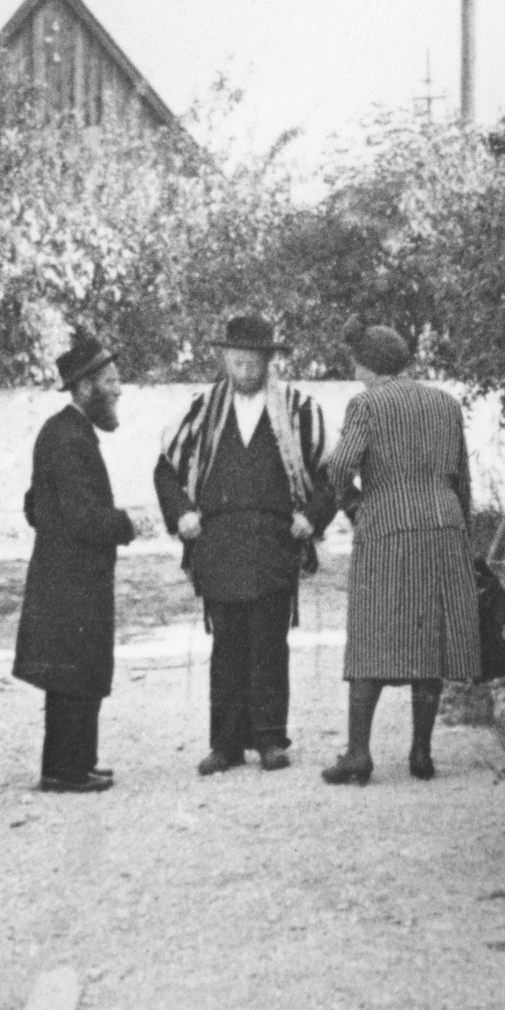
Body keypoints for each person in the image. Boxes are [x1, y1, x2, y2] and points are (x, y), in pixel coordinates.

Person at [154, 315, 336, 776]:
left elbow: (332, 476)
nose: (243, 366)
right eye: (235, 358)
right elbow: (165, 471)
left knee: (269, 642)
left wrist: (311, 519)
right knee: (227, 645)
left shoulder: (300, 411)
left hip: (275, 544)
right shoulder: (201, 410)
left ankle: (271, 740)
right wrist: (182, 514)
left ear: (267, 360)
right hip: (218, 545)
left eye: (252, 358)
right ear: (224, 359)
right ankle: (226, 744)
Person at [321, 322, 480, 785]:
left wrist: (355, 506)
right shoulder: (445, 402)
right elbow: (462, 478)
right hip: (444, 526)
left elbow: (339, 467)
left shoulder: (366, 403)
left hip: (387, 528)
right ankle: (421, 754)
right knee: (431, 638)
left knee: (372, 635)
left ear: (365, 365)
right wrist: (459, 530)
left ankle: (358, 754)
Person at [13, 331, 138, 793]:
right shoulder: (70, 438)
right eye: (110, 379)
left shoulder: (64, 431)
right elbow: (84, 517)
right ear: (84, 388)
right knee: (73, 672)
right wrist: (126, 524)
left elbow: (34, 506)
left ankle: (77, 762)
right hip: (70, 578)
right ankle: (64, 771)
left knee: (78, 669)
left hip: (66, 573)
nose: (118, 388)